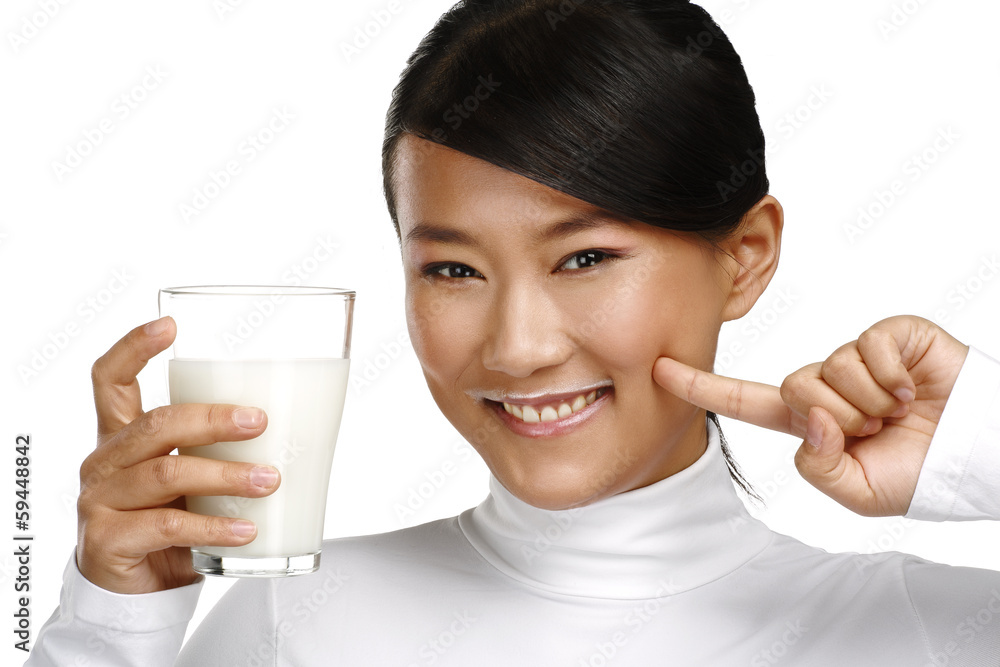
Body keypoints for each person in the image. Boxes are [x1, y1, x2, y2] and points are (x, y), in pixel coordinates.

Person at [27, 1, 1000, 665]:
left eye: (585, 257)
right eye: (452, 269)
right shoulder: (296, 620)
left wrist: (983, 447)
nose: (518, 347)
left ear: (745, 257)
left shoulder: (924, 630)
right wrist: (113, 625)